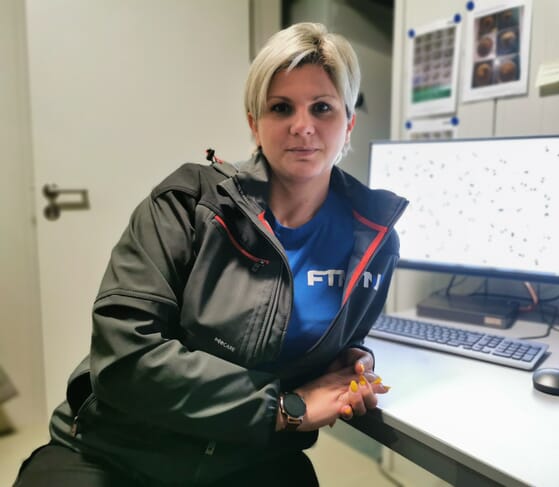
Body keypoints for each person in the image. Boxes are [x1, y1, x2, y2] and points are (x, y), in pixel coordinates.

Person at [14, 22, 407, 486]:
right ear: (253, 123)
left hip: (249, 458)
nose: (303, 126)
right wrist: (284, 408)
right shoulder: (187, 203)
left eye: (322, 107)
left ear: (348, 123)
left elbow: (343, 343)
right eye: (281, 108)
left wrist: (352, 364)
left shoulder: (373, 239)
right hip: (117, 448)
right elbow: (125, 360)